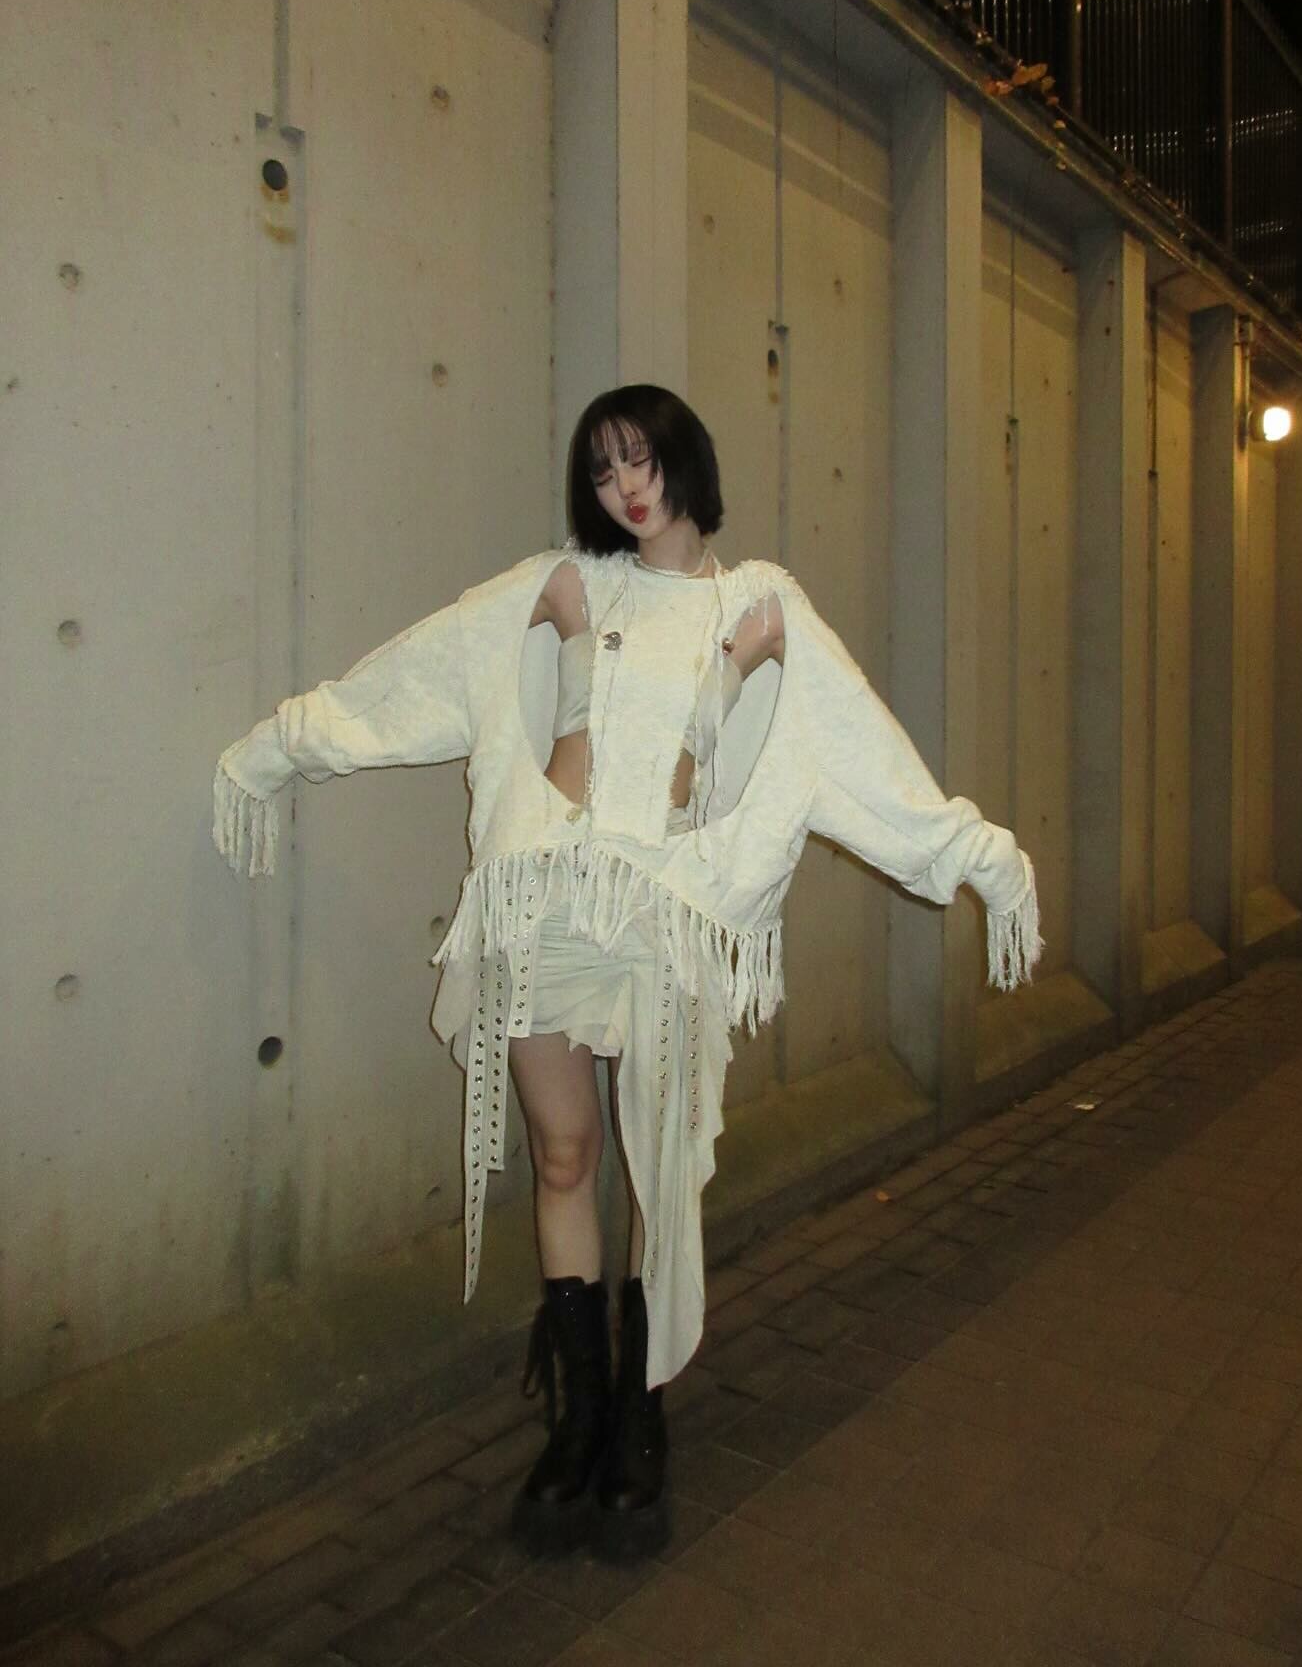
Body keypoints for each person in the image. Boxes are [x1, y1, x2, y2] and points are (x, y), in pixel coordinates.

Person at [213, 383, 1041, 1561]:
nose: (625, 487)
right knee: (564, 1154)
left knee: (657, 1169)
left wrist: (978, 858)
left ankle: (643, 1416)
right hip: (544, 904)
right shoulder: (561, 584)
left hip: (666, 922)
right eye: (603, 470)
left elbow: (859, 755)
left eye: (641, 458)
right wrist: (278, 751)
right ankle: (579, 1417)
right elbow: (415, 678)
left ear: (684, 459)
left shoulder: (762, 605)